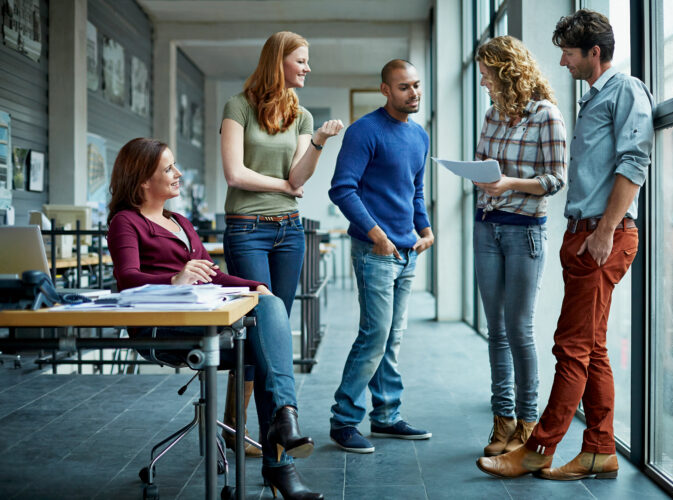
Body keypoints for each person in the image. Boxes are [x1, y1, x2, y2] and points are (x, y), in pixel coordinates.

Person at [476, 9, 654, 480]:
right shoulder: (592, 99)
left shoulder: (626, 90)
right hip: (583, 234)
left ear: (594, 53)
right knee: (592, 348)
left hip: (604, 235)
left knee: (569, 346)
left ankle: (539, 447)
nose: (562, 62)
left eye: (569, 53)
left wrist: (603, 232)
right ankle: (598, 451)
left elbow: (635, 163)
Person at [107, 138, 322, 500]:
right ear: (143, 181)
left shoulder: (181, 222)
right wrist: (174, 279)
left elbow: (213, 276)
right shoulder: (126, 222)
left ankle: (284, 426)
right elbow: (127, 278)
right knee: (266, 343)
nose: (177, 174)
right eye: (168, 169)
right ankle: (280, 459)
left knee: (269, 309)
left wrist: (255, 285)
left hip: (204, 317)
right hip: (162, 326)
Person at [219, 30, 342, 458]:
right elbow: (234, 174)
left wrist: (320, 143)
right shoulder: (238, 107)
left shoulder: (303, 117)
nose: (308, 68)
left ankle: (259, 435)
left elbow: (299, 177)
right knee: (261, 327)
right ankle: (276, 428)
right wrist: (284, 186)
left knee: (270, 336)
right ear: (279, 61)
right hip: (247, 229)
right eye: (301, 60)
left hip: (290, 231)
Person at [327, 60, 435, 453]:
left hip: (408, 252)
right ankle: (343, 420)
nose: (414, 93)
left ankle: (387, 417)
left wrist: (425, 229)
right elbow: (342, 189)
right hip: (376, 251)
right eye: (404, 87)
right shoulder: (364, 132)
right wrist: (377, 235)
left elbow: (414, 191)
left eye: (417, 86)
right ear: (385, 90)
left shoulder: (420, 136)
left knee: (392, 338)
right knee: (375, 336)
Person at [472, 36, 567, 458]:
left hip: (525, 229)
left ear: (507, 71)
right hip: (486, 227)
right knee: (496, 331)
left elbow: (555, 178)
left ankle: (528, 426)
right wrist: (480, 176)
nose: (482, 82)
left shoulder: (546, 116)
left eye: (487, 74)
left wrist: (509, 182)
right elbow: (483, 166)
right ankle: (502, 420)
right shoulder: (492, 115)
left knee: (520, 330)